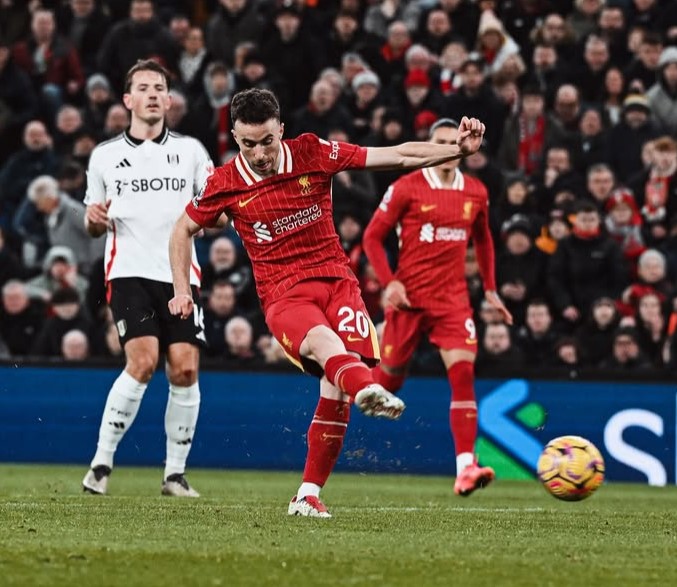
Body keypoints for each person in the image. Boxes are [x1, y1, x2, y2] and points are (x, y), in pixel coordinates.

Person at [168, 88, 487, 518]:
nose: (259, 153)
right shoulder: (224, 183)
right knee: (324, 344)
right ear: (234, 138)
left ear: (281, 130)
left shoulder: (313, 152)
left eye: (267, 141)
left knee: (334, 385)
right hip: (284, 294)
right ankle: (367, 389)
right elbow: (181, 230)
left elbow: (397, 156)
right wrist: (182, 290)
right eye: (248, 144)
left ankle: (307, 494)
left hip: (338, 282)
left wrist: (455, 150)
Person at [81, 60, 215, 498]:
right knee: (142, 363)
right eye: (144, 88)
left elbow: (213, 208)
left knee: (185, 369)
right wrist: (95, 219)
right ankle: (101, 463)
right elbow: (93, 222)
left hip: (180, 275)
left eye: (160, 87)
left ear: (169, 99)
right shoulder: (104, 156)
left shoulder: (193, 152)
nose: (153, 94)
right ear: (128, 100)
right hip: (129, 272)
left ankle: (174, 475)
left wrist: (221, 217)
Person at [361, 118, 512, 497]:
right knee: (387, 386)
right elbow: (371, 239)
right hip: (409, 301)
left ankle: (465, 467)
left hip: (452, 302)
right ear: (430, 146)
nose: (449, 148)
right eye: (441, 142)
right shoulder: (406, 186)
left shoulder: (475, 192)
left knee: (463, 377)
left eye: (454, 141)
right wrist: (389, 281)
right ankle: (348, 382)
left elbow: (485, 240)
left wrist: (491, 289)